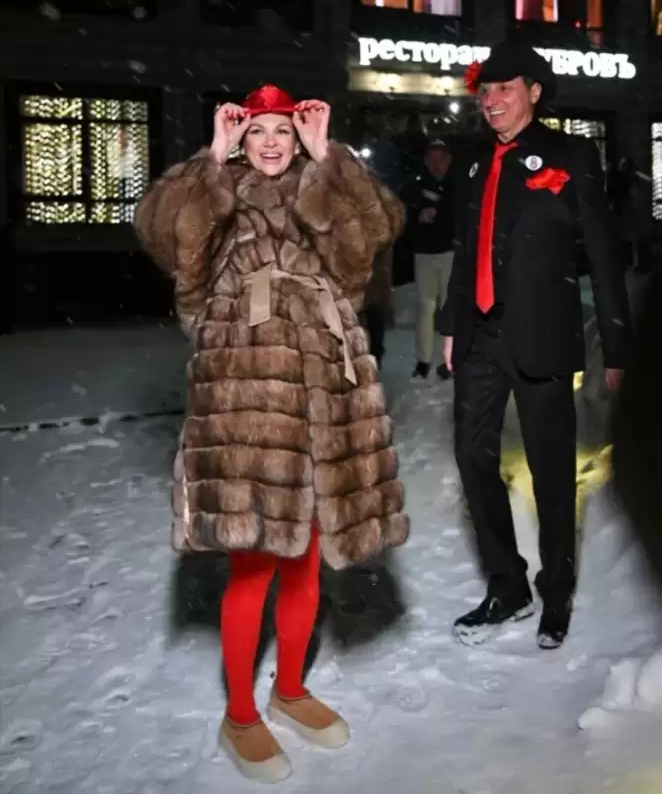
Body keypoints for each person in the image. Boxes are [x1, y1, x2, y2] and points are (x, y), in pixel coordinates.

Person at [134, 84, 408, 783]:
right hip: (245, 398)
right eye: (257, 131)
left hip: (325, 392)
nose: (271, 143)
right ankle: (240, 714)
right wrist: (210, 160)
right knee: (253, 562)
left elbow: (372, 240)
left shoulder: (322, 189)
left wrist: (330, 160)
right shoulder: (219, 194)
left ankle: (288, 687)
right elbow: (167, 239)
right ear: (242, 138)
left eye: (283, 131)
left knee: (307, 559)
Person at [437, 40, 629, 650]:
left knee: (551, 470)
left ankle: (557, 590)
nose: (492, 100)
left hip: (543, 336)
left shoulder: (572, 155)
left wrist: (617, 347)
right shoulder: (472, 160)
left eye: (505, 89)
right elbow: (466, 251)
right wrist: (451, 324)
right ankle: (507, 586)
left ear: (534, 92)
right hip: (480, 335)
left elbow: (604, 256)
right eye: (485, 91)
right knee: (472, 457)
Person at [406, 139, 455, 380]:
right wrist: (419, 216)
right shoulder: (417, 185)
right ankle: (423, 359)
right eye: (432, 159)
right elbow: (407, 213)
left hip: (449, 253)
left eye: (441, 159)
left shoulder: (456, 185)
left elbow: (460, 215)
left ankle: (450, 359)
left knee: (449, 307)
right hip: (424, 254)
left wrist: (440, 215)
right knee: (425, 307)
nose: (437, 164)